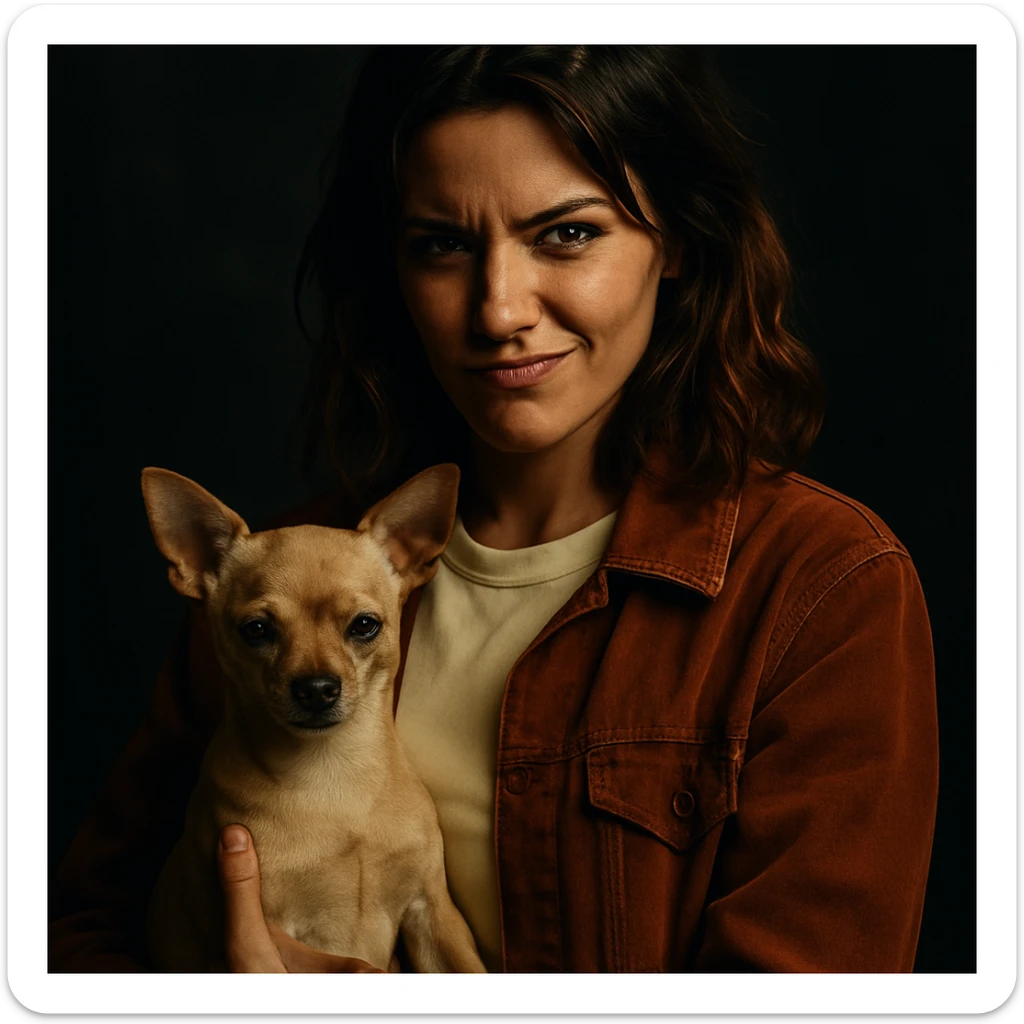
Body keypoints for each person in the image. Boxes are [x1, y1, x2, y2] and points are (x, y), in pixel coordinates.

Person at [49, 45, 938, 974]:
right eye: (444, 244)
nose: (499, 308)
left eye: (567, 234)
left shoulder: (821, 589)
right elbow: (80, 944)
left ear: (675, 239)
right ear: (394, 267)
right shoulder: (278, 587)